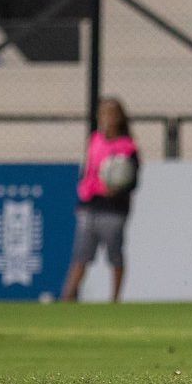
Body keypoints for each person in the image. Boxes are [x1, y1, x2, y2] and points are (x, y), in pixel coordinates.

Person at [61, 98, 140, 303]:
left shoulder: (128, 147)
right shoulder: (95, 141)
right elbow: (87, 171)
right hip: (90, 205)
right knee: (81, 255)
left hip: (114, 209)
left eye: (112, 114)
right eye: (104, 113)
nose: (108, 118)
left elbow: (133, 181)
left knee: (115, 255)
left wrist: (117, 189)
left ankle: (115, 298)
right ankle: (68, 295)